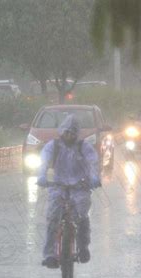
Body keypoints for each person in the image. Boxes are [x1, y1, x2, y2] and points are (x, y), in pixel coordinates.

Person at [37, 114, 101, 268]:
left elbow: (93, 162)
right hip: (58, 185)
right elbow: (44, 161)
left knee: (81, 216)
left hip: (80, 186)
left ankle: (83, 247)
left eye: (72, 133)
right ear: (61, 132)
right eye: (67, 133)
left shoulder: (83, 146)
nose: (69, 136)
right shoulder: (53, 146)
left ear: (76, 134)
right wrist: (42, 175)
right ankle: (50, 254)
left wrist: (94, 177)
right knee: (53, 218)